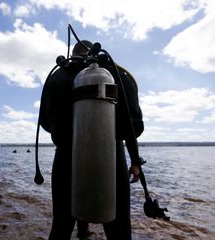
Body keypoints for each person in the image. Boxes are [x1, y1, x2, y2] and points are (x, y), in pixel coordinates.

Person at [39, 40, 144, 239]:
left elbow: (45, 123)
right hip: (112, 158)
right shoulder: (116, 74)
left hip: (66, 160)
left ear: (72, 54)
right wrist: (136, 162)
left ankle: (82, 232)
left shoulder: (58, 77)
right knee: (119, 230)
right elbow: (133, 128)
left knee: (61, 227)